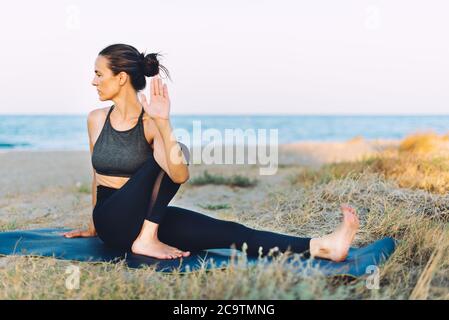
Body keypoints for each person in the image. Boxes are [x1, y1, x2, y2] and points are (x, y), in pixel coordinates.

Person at [63, 43, 360, 262]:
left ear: (121, 78)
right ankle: (146, 240)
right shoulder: (96, 119)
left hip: (144, 221)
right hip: (112, 221)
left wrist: (164, 125)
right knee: (175, 153)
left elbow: (179, 175)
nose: (93, 81)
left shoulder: (151, 123)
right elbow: (97, 176)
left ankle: (323, 246)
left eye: (99, 73)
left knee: (229, 231)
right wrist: (92, 226)